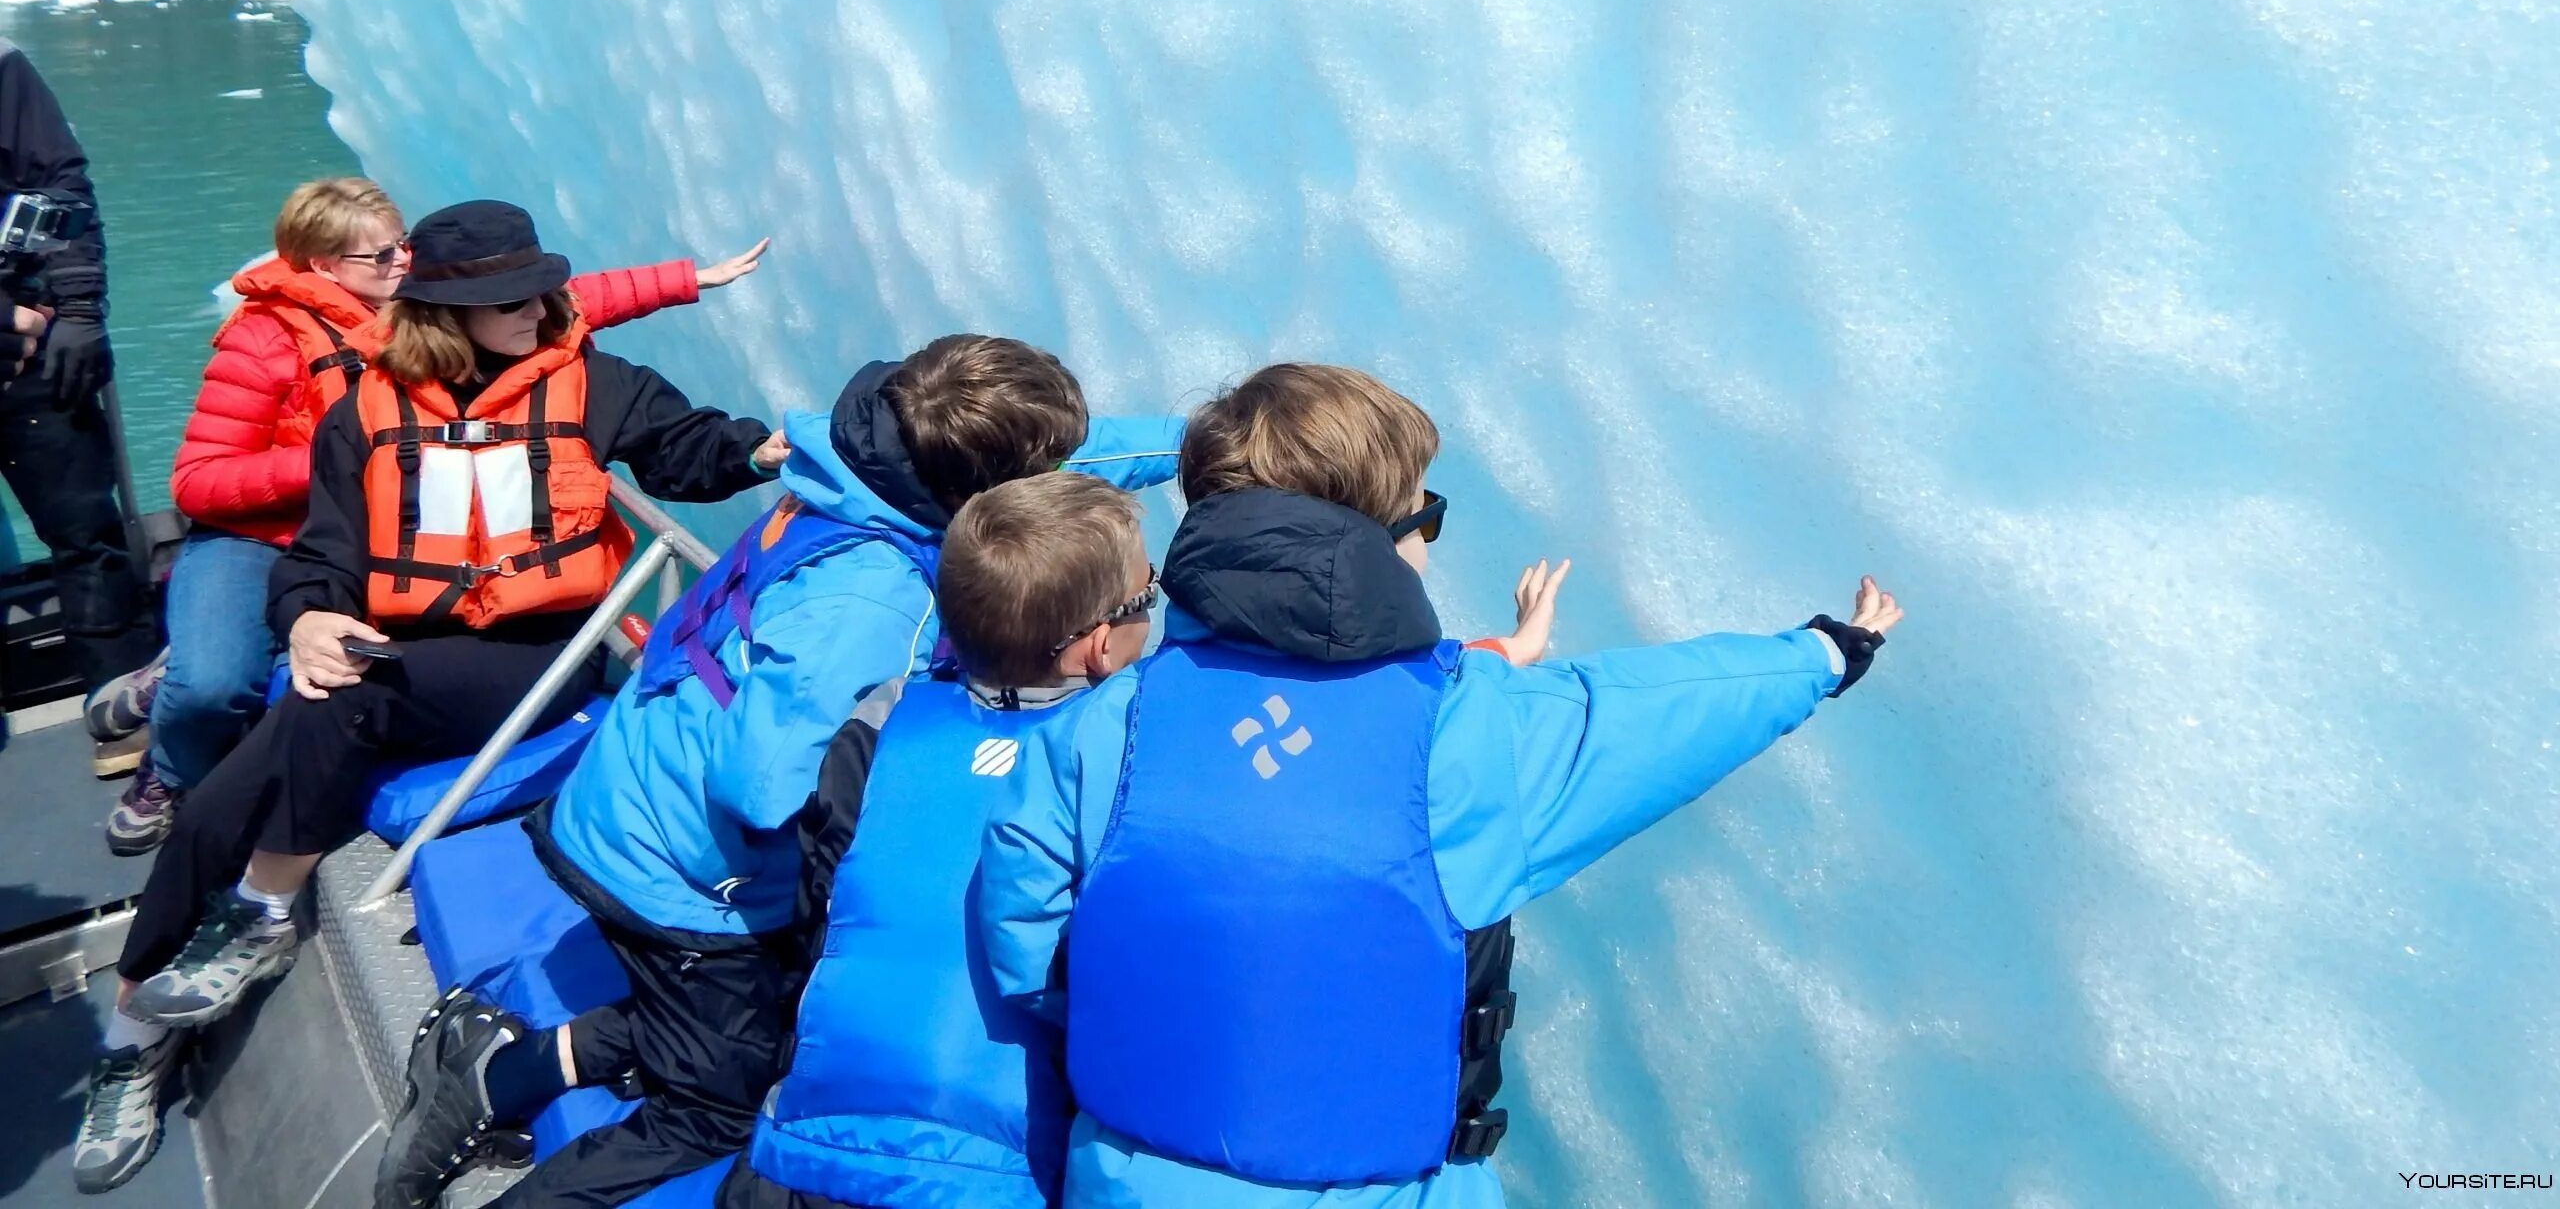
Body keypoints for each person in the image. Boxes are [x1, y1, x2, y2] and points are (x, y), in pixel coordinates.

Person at [979, 362, 1905, 1208]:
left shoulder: (1109, 720)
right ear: (1386, 538)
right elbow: (1654, 713)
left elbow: (1024, 946)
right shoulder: (1470, 730)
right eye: (1429, 518)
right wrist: (1827, 651)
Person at [373, 334, 1185, 1209]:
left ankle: (524, 1062)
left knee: (737, 1024)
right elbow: (762, 787)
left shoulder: (872, 457)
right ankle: (490, 1089)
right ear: (978, 492)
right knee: (715, 1103)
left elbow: (1059, 466)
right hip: (678, 870)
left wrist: (1218, 448)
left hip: (637, 775)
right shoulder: (880, 600)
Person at [74, 200, 786, 1197]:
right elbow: (323, 555)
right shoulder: (366, 411)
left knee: (336, 708)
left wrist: (759, 452)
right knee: (216, 807)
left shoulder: (590, 381)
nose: (541, 311)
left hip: (537, 661)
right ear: (448, 313)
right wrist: (311, 618)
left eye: (542, 292)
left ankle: (257, 921)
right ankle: (135, 1030)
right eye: (512, 301)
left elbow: (688, 447)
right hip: (406, 655)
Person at [106, 173, 766, 855]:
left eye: (403, 247)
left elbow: (568, 302)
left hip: (379, 531)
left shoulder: (436, 315)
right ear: (325, 266)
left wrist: (692, 277)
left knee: (345, 657)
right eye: (381, 257)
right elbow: (197, 482)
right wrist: (363, 453)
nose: (401, 263)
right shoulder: (264, 341)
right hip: (266, 535)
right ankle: (170, 771)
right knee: (214, 683)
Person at [718, 470, 1158, 1209]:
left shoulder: (883, 718)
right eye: (1153, 589)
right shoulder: (1130, 757)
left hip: (796, 1149)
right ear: (1103, 647)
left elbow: (824, 899)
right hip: (993, 1176)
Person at [0, 38, 155, 770]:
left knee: (85, 532)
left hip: (29, 351)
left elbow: (59, 185)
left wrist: (80, 310)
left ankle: (117, 710)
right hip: (17, 327)